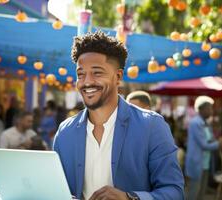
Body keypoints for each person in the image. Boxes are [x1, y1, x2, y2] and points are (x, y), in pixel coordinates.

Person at [53, 31, 184, 200]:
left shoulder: (152, 126)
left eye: (97, 72)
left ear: (118, 77)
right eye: (81, 74)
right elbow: (57, 189)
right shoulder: (64, 133)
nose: (86, 82)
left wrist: (130, 198)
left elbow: (174, 191)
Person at [185, 96, 222, 200]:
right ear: (201, 109)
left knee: (202, 191)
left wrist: (217, 141)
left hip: (205, 163)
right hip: (197, 163)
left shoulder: (206, 123)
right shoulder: (195, 123)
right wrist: (218, 144)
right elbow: (204, 144)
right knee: (194, 191)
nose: (211, 110)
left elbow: (210, 140)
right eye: (209, 108)